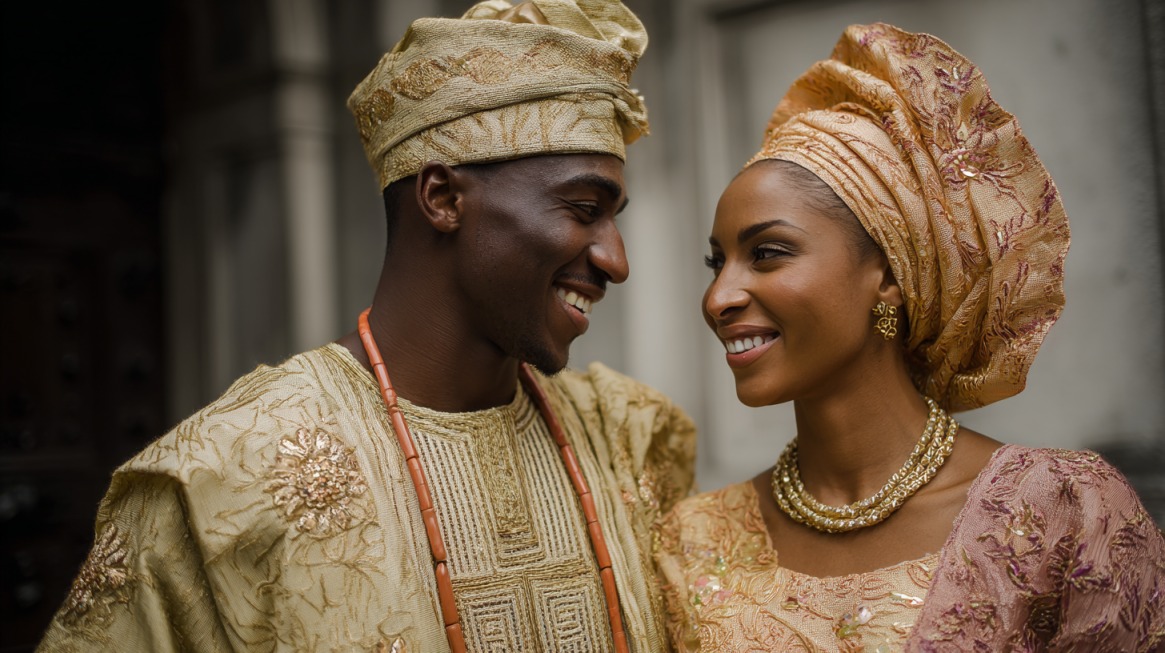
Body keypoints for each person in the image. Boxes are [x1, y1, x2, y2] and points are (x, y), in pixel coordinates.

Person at [37, 2, 695, 652]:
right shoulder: (221, 479)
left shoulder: (631, 438)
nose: (616, 259)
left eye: (614, 218)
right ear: (442, 198)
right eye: (583, 208)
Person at [655, 23, 1165, 653]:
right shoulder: (692, 540)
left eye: (767, 254)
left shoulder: (1060, 512)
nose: (718, 297)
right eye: (717, 263)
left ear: (891, 276)